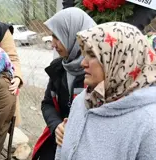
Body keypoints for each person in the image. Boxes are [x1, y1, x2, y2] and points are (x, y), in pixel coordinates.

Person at [55, 22, 156, 160]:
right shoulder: (84, 101)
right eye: (84, 54)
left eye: (93, 55)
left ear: (122, 60)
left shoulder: (149, 123)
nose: (83, 63)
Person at [32, 7, 96, 160]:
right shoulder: (59, 67)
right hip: (59, 139)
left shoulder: (97, 73)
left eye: (57, 36)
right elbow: (47, 103)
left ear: (75, 36)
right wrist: (57, 126)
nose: (53, 44)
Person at [62, 0, 156, 31]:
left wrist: (124, 30)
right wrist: (69, 19)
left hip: (123, 27)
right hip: (80, 25)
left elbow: (148, 7)